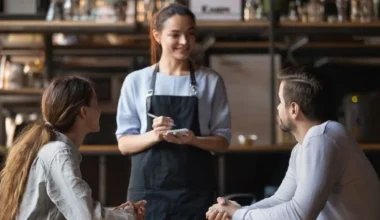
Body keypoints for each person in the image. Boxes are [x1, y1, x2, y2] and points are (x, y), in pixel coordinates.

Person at [206, 67, 380, 220]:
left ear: (294, 109)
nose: (277, 108)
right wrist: (237, 211)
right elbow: (281, 200)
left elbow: (299, 214)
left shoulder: (323, 137)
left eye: (281, 101)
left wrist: (238, 214)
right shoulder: (303, 147)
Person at [115, 3, 231, 220]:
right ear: (157, 36)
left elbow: (223, 141)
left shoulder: (211, 81)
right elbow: (124, 144)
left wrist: (193, 139)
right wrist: (155, 135)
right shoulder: (136, 81)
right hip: (147, 196)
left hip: (196, 194)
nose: (184, 42)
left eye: (190, 34)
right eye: (175, 35)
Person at [0, 76, 146, 220]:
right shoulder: (59, 154)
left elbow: (77, 210)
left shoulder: (53, 150)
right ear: (84, 112)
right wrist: (128, 216)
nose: (100, 110)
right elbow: (87, 217)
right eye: (96, 103)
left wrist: (120, 212)